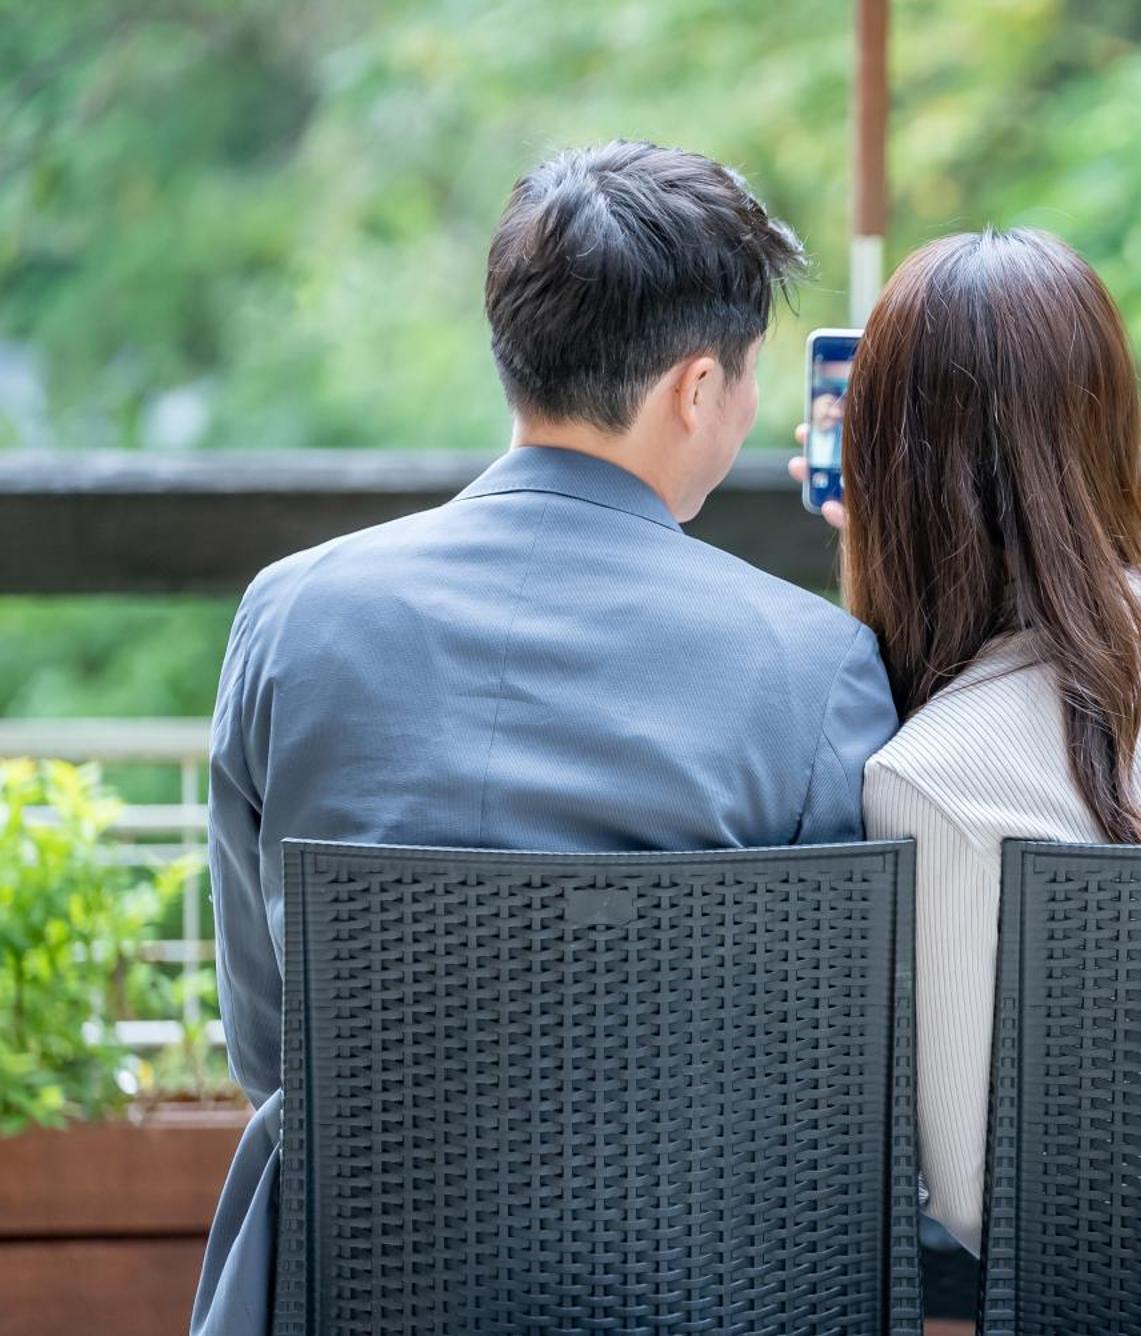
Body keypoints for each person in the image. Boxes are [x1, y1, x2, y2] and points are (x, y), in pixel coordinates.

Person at [191, 142, 898, 1335]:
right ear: (693, 388)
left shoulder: (292, 612)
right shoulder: (812, 664)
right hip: (685, 1292)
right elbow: (824, 1088)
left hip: (346, 1285)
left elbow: (272, 1043)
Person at [794, 227, 1141, 1257]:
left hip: (1136, 1285)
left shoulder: (925, 777)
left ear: (882, 466)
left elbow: (978, 1201)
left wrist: (885, 539)